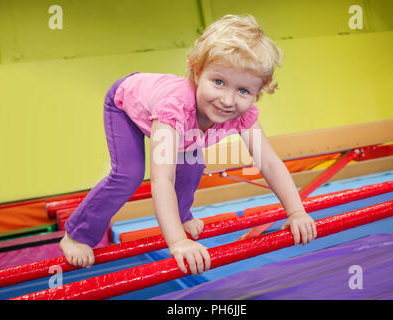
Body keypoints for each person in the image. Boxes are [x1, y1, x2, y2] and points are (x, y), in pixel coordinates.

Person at [59, 14, 317, 276]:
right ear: (197, 72)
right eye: (218, 82)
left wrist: (296, 212)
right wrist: (178, 242)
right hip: (126, 103)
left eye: (243, 91)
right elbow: (162, 180)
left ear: (257, 93)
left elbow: (269, 163)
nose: (227, 100)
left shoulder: (243, 115)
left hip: (182, 125)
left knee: (193, 165)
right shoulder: (174, 109)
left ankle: (182, 216)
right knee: (129, 173)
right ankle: (77, 235)